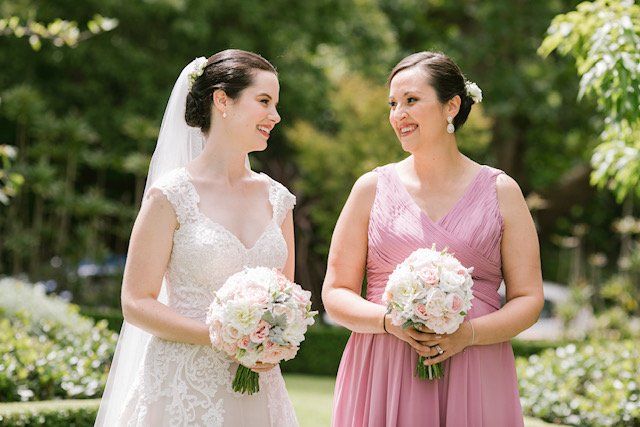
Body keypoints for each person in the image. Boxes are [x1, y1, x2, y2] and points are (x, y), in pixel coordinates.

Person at [323, 51, 544, 426]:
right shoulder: (370, 189)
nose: (398, 114)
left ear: (451, 106)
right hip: (384, 366)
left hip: (475, 368)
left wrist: (468, 334)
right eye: (393, 104)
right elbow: (336, 291)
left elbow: (529, 298)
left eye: (411, 101)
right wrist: (388, 322)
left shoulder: (502, 191)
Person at [95, 49, 298, 426]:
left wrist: (276, 337)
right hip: (181, 388)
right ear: (223, 100)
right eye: (264, 101)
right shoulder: (171, 196)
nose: (275, 116)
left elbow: (287, 294)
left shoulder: (279, 200)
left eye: (276, 104)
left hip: (259, 388)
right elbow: (136, 301)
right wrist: (222, 337)